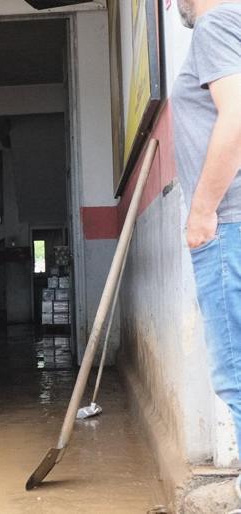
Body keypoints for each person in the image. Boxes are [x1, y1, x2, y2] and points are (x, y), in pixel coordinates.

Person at [173, 0, 241, 490]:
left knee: (236, 375)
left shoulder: (215, 24)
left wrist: (201, 214)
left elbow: (236, 117)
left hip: (228, 226)